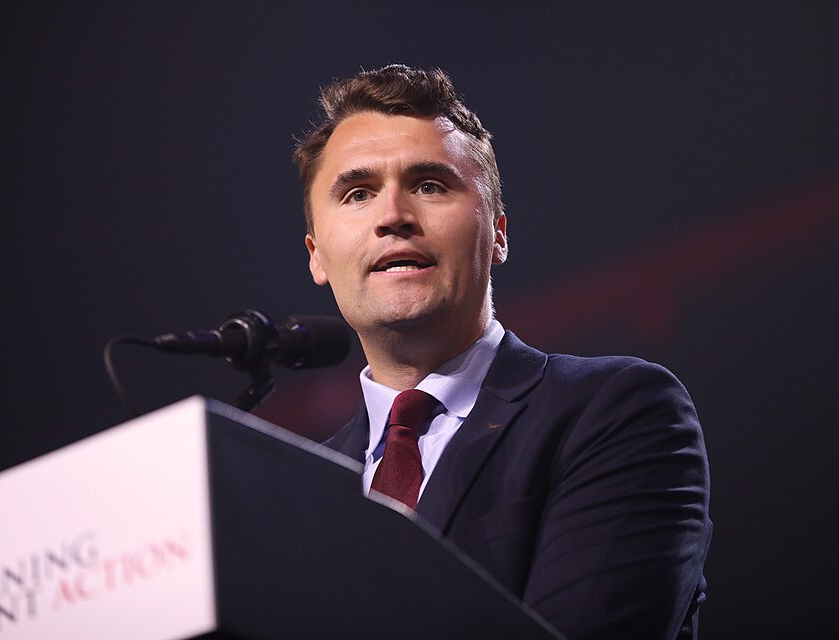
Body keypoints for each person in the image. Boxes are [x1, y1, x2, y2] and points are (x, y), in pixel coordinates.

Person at [293, 64, 712, 640]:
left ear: (498, 234)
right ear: (317, 254)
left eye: (430, 185)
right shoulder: (296, 494)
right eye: (358, 193)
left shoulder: (617, 412)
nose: (393, 217)